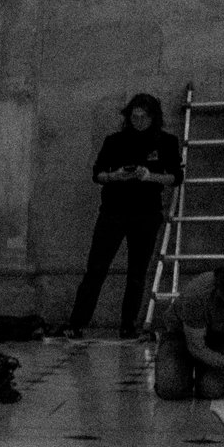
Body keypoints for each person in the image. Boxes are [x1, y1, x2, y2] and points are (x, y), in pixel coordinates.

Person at [68, 93, 185, 339]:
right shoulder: (115, 141)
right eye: (134, 117)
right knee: (96, 267)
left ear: (153, 118)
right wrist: (116, 176)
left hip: (146, 213)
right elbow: (97, 173)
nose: (138, 121)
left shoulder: (166, 142)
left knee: (137, 271)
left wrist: (148, 176)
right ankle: (77, 322)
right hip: (113, 211)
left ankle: (127, 323)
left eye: (143, 117)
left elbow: (175, 177)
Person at [154, 263, 224, 400]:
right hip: (180, 336)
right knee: (170, 389)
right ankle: (184, 368)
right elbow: (197, 348)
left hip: (223, 336)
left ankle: (202, 372)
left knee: (211, 391)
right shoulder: (198, 294)